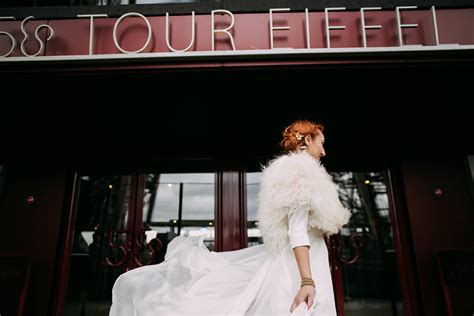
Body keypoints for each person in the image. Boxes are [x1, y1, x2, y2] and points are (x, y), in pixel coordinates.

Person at [109, 119, 351, 316]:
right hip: (301, 267)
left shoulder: (295, 173)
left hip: (301, 261)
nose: (324, 151)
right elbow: (297, 231)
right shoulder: (301, 174)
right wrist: (307, 280)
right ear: (307, 139)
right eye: (321, 143)